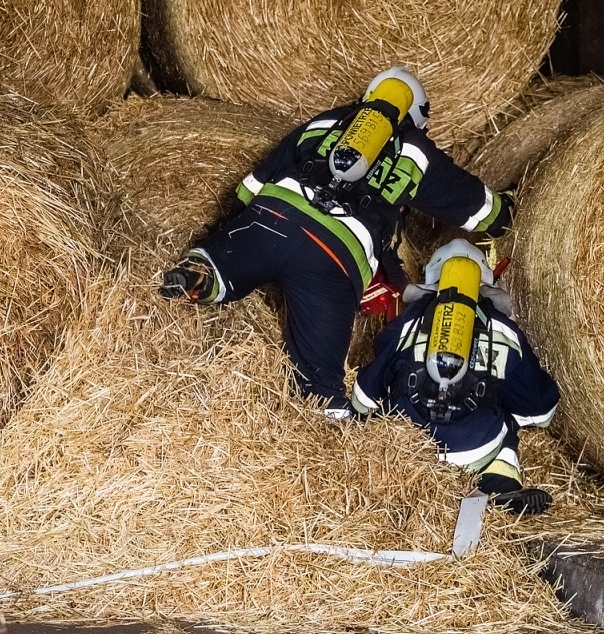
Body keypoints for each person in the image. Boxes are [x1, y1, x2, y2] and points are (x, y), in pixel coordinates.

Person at [159, 68, 512, 416]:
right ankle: (331, 413)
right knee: (318, 382)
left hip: (270, 218)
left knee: (224, 261)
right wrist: (508, 208)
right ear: (415, 117)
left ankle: (201, 276)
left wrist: (229, 227)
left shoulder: (326, 121)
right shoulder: (418, 153)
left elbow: (254, 183)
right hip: (332, 256)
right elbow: (479, 210)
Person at [349, 239, 558, 515]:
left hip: (407, 451)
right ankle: (499, 485)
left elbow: (364, 399)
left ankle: (397, 489)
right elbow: (541, 413)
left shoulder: (407, 325)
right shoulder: (505, 332)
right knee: (506, 420)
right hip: (474, 447)